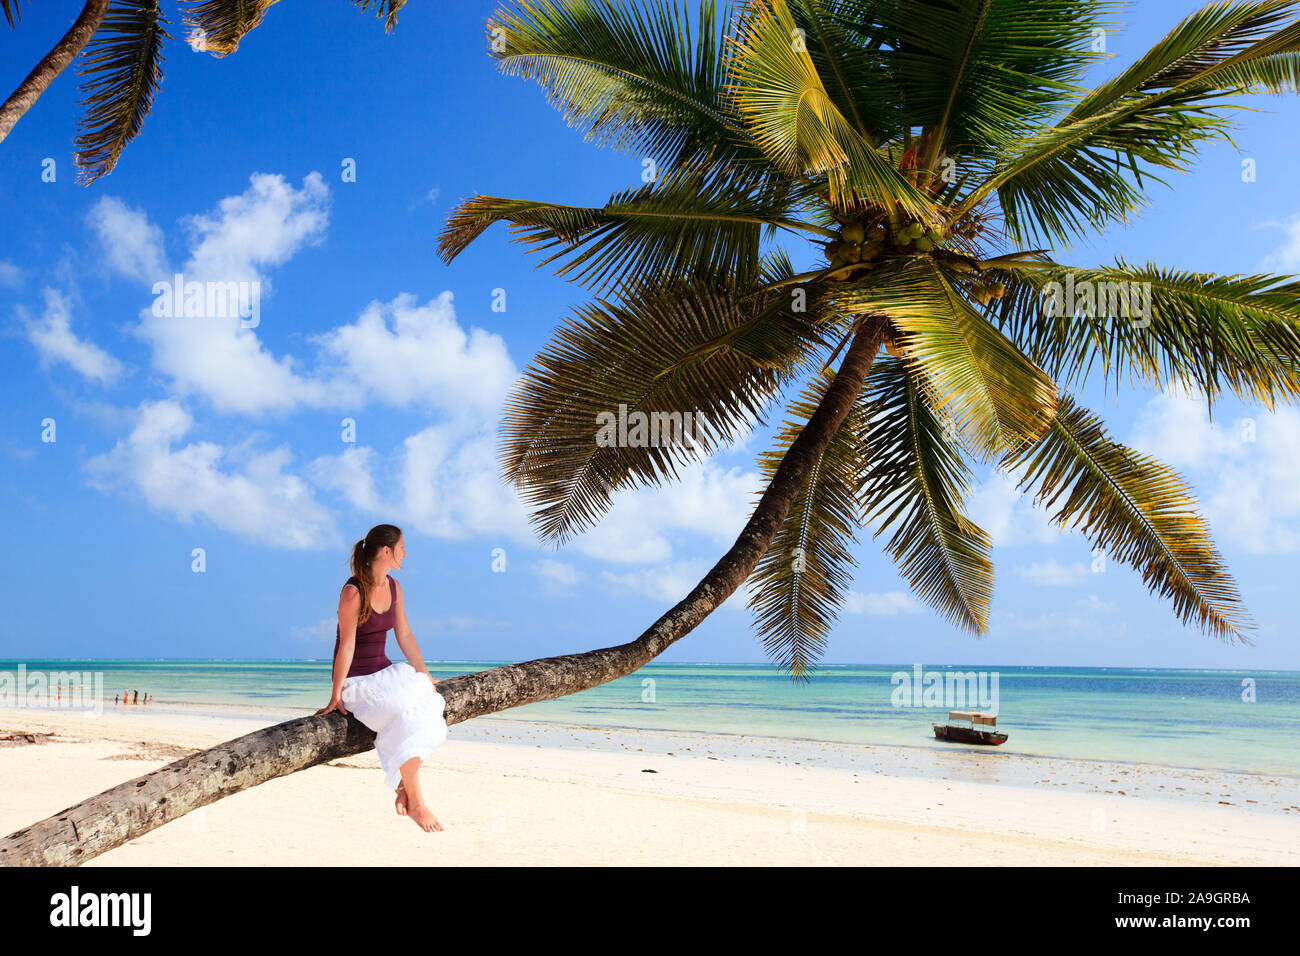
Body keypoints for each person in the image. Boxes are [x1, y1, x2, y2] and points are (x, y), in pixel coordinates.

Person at [315, 524, 449, 832]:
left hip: (387, 672)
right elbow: (345, 645)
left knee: (429, 701)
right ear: (386, 551)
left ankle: (405, 786)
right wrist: (336, 694)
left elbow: (404, 634)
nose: (406, 552)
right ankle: (417, 802)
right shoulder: (353, 592)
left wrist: (426, 675)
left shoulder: (395, 586)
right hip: (359, 682)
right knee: (404, 711)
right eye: (402, 547)